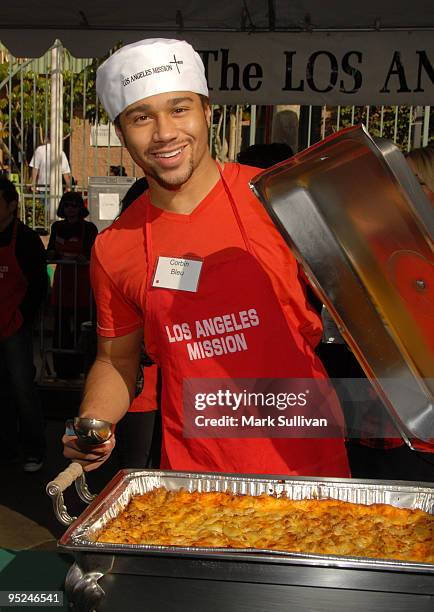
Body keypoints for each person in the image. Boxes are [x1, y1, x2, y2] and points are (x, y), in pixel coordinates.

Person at [63, 38, 350, 477]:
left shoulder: (281, 197)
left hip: (306, 456)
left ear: (207, 112)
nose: (164, 133)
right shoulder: (114, 247)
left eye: (179, 109)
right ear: (121, 134)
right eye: (142, 118)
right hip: (198, 475)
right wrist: (94, 422)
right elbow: (115, 359)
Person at [0, 178, 47, 472]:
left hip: (14, 329)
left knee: (21, 389)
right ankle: (6, 450)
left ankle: (34, 450)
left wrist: (22, 319)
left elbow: (39, 286)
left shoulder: (26, 239)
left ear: (11, 205)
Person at [47, 192, 98, 379]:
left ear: (80, 208)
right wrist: (52, 254)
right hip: (62, 284)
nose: (71, 209)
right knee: (60, 327)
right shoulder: (57, 226)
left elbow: (93, 252)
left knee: (81, 327)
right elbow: (51, 249)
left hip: (82, 286)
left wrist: (84, 257)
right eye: (67, 205)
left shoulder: (89, 228)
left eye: (75, 205)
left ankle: (81, 367)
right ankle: (62, 368)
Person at [30, 138, 72, 205]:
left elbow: (35, 168)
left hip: (43, 186)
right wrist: (68, 186)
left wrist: (33, 184)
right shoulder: (60, 152)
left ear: (46, 139)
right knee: (56, 211)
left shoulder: (39, 150)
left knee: (44, 211)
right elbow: (66, 172)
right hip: (57, 188)